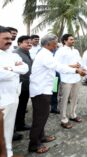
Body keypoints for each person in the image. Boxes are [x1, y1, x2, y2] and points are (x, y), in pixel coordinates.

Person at [29, 34, 86, 154]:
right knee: (39, 118)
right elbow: (58, 66)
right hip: (40, 90)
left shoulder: (47, 53)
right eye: (55, 43)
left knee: (43, 116)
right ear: (48, 43)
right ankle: (34, 144)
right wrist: (76, 70)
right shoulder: (44, 54)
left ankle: (41, 137)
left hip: (44, 89)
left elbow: (58, 66)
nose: (57, 44)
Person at [0, 25, 28, 157]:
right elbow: (1, 75)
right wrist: (15, 70)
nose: (10, 41)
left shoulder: (12, 53)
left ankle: (9, 153)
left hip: (13, 96)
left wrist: (10, 69)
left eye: (10, 38)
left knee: (9, 129)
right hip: (2, 101)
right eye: (6, 38)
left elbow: (25, 68)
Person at [54, 34, 83, 129]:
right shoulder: (60, 51)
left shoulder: (76, 50)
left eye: (73, 39)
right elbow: (57, 65)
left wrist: (80, 65)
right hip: (66, 78)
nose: (73, 41)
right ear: (65, 41)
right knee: (64, 99)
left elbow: (80, 61)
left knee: (75, 98)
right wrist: (72, 66)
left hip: (76, 77)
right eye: (71, 39)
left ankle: (73, 114)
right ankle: (63, 119)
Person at [13, 36, 33, 132]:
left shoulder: (27, 52)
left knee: (23, 105)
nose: (29, 44)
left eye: (30, 42)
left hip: (26, 84)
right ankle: (17, 125)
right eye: (26, 42)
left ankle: (20, 124)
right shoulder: (16, 54)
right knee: (19, 106)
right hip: (19, 84)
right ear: (19, 43)